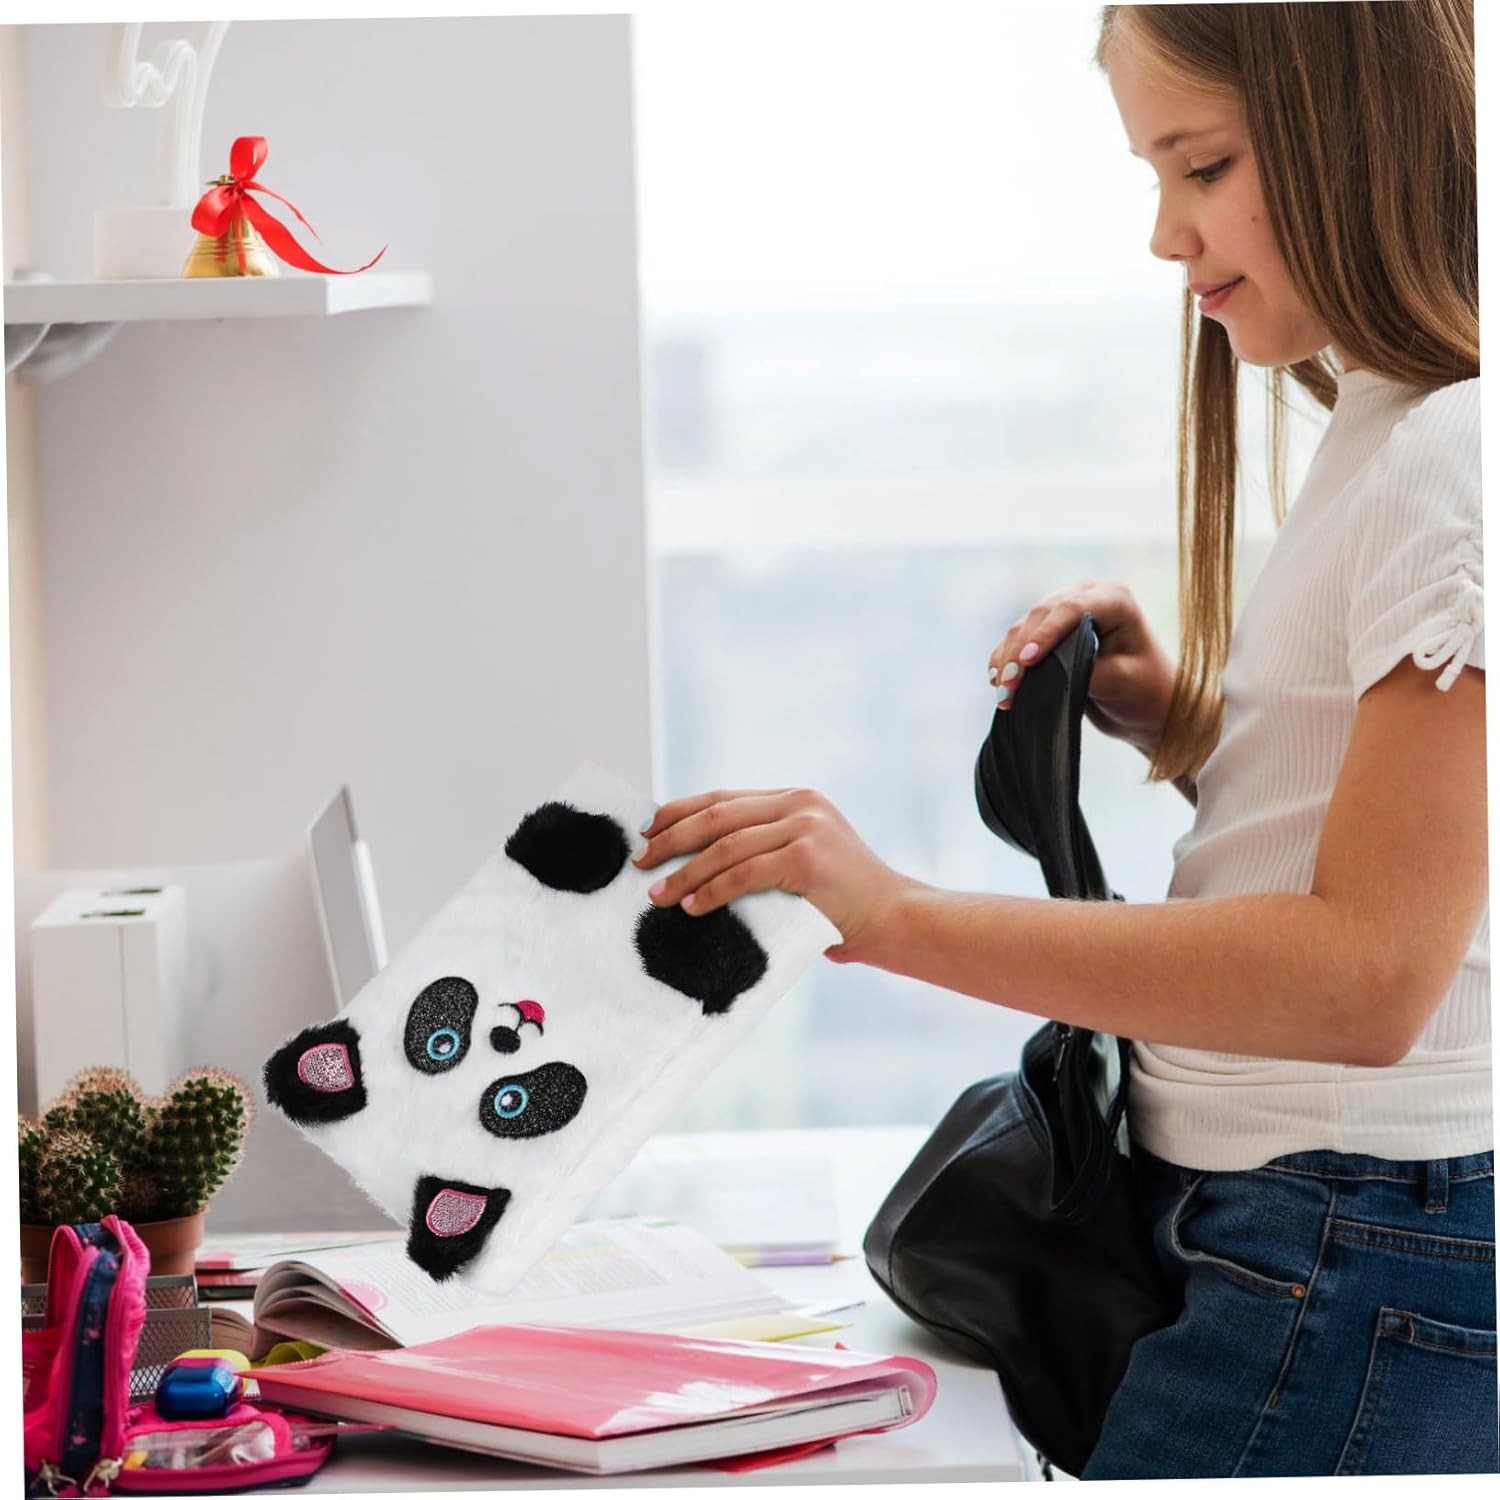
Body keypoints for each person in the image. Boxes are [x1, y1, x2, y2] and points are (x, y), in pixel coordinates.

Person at [631, 0, 1490, 1480]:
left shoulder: (1445, 460)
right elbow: (1384, 836)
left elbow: (1367, 980)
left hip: (1344, 1243)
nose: (1166, 235)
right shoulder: (1391, 430)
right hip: (1318, 1231)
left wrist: (891, 913)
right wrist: (1190, 721)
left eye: (1203, 166)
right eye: (1155, 176)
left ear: (1359, 130)